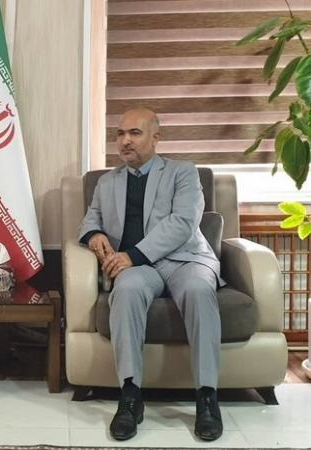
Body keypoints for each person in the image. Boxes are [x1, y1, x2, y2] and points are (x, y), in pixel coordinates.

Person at [78, 108, 223, 442]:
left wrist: (131, 255)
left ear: (156, 138)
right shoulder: (106, 182)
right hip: (138, 270)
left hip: (185, 259)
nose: (125, 141)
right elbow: (91, 218)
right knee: (125, 291)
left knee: (199, 291)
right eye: (120, 133)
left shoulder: (183, 173)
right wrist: (94, 234)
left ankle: (207, 396)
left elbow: (182, 223)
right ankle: (130, 396)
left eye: (135, 133)